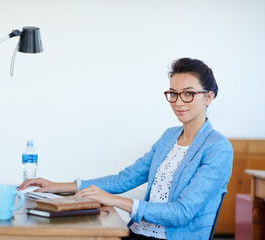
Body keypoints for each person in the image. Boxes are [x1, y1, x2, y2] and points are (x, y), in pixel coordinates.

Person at [18, 58, 233, 240]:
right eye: (173, 93)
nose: (178, 102)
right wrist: (56, 186)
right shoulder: (169, 136)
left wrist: (115, 201)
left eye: (188, 94)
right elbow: (125, 179)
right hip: (136, 233)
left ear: (209, 97)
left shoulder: (218, 148)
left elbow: (181, 212)